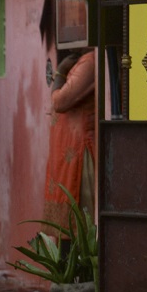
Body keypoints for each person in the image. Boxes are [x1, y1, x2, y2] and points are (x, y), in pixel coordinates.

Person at [45, 48, 96, 228]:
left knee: (79, 227)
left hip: (79, 154)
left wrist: (59, 74)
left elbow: (60, 102)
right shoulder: (85, 61)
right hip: (67, 153)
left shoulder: (89, 62)